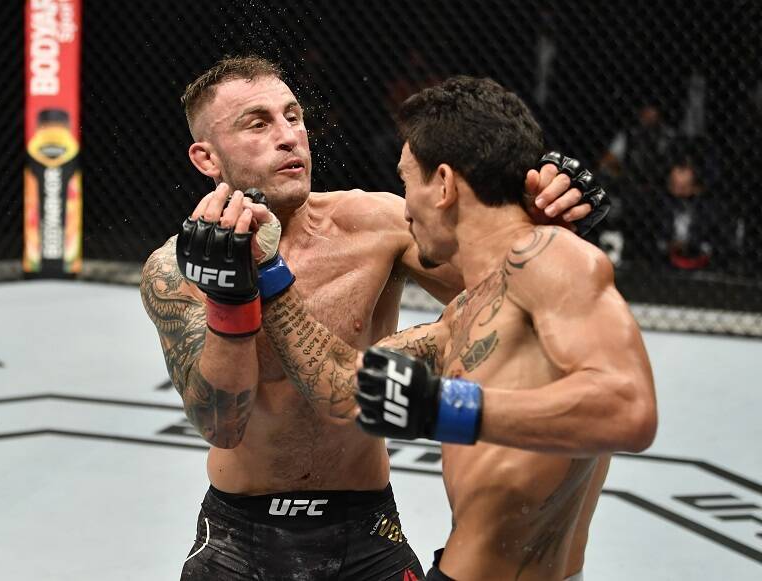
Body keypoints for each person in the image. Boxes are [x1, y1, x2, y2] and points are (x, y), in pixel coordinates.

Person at [140, 55, 606, 580]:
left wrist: (542, 225)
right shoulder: (174, 270)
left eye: (293, 116)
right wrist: (228, 300)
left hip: (365, 530)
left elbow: (513, 295)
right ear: (206, 157)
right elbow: (221, 425)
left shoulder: (376, 224)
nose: (289, 136)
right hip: (238, 538)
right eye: (258, 123)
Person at [256, 76, 656, 580]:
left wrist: (444, 407)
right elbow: (343, 386)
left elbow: (628, 408)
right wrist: (267, 273)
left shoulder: (551, 256)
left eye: (407, 183)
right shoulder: (467, 314)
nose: (406, 208)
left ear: (443, 184)